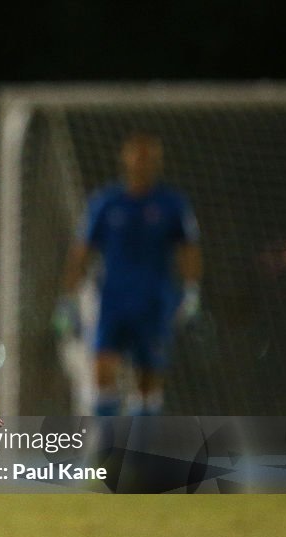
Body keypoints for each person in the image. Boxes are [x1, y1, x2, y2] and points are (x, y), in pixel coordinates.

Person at [53, 132, 202, 416]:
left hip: (154, 301)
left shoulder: (172, 205)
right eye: (137, 154)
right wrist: (68, 299)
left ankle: (140, 453)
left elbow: (189, 251)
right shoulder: (106, 203)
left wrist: (192, 290)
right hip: (112, 300)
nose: (142, 162)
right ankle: (108, 453)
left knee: (147, 384)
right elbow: (81, 253)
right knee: (103, 374)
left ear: (157, 162)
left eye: (148, 156)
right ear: (125, 157)